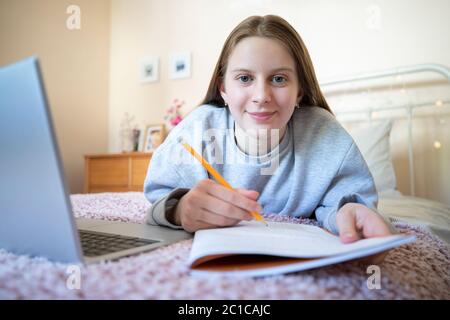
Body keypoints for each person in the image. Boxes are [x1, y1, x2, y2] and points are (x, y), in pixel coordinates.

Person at [143, 15, 393, 264]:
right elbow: (158, 198)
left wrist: (350, 212)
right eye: (244, 78)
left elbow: (347, 202)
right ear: (223, 90)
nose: (261, 96)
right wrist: (179, 210)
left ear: (299, 92)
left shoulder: (325, 135)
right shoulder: (196, 131)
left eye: (279, 79)